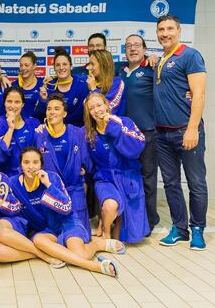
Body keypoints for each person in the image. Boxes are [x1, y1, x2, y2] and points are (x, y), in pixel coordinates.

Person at [9, 147, 124, 277]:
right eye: (26, 162)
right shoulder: (14, 183)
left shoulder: (52, 178)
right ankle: (88, 258)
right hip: (49, 229)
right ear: (20, 165)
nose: (31, 166)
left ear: (41, 164)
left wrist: (48, 185)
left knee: (81, 255)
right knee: (38, 239)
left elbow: (66, 207)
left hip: (68, 222)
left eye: (35, 162)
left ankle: (97, 245)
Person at [153, 15, 208, 250]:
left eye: (169, 29)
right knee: (171, 184)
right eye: (161, 30)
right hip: (162, 134)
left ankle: (198, 230)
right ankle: (180, 228)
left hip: (186, 130)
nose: (165, 33)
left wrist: (193, 128)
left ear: (179, 31)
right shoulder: (161, 59)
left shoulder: (190, 55)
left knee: (196, 183)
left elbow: (199, 94)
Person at [84, 93, 149, 243]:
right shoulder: (88, 133)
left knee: (127, 237)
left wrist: (114, 127)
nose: (96, 110)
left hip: (128, 178)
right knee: (110, 206)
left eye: (99, 105)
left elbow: (137, 148)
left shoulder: (124, 122)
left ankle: (115, 224)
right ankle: (106, 232)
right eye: (91, 108)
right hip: (105, 179)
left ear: (107, 105)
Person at [119, 34, 160, 233]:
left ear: (144, 49)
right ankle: (131, 219)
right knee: (127, 177)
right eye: (128, 46)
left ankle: (150, 220)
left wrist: (155, 57)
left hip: (147, 133)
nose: (133, 49)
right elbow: (88, 68)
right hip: (124, 136)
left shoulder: (152, 68)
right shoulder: (120, 70)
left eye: (137, 45)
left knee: (148, 178)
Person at [35, 93, 92, 232]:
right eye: (49, 109)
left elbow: (87, 163)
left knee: (80, 236)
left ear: (64, 113)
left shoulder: (77, 133)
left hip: (75, 192)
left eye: (56, 108)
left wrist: (83, 170)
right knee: (56, 238)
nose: (52, 112)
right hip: (52, 194)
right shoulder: (39, 135)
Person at [0, 87, 40, 177]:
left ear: (23, 104)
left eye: (17, 102)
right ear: (4, 103)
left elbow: (40, 155)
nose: (13, 106)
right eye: (9, 101)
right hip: (3, 178)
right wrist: (10, 129)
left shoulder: (33, 123)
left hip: (29, 177)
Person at [39, 48, 89, 126]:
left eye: (65, 64)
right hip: (54, 130)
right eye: (58, 65)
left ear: (71, 66)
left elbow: (84, 115)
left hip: (77, 131)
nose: (61, 68)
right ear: (54, 68)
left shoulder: (82, 85)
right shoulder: (49, 86)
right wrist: (43, 100)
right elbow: (42, 115)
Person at [86, 50, 126, 116]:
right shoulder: (90, 82)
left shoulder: (118, 82)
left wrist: (93, 89)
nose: (89, 68)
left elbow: (107, 109)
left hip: (114, 125)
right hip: (95, 126)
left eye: (92, 64)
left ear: (103, 65)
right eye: (89, 64)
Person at [12, 51, 44, 119]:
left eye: (26, 65)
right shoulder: (13, 86)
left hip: (38, 127)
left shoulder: (43, 84)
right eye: (21, 65)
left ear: (34, 66)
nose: (23, 68)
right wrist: (2, 77)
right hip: (18, 127)